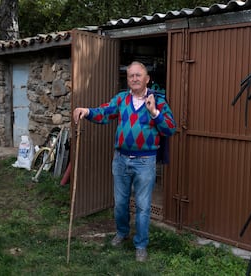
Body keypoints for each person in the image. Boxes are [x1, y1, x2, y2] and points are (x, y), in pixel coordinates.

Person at [73, 61, 176, 262]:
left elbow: (170, 128)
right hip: (121, 160)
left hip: (145, 162)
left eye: (138, 75)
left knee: (143, 205)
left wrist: (154, 112)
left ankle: (141, 244)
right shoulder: (121, 99)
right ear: (128, 80)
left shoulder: (158, 101)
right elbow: (105, 112)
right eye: (131, 76)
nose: (135, 79)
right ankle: (122, 232)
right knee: (120, 203)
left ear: (147, 79)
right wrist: (87, 111)